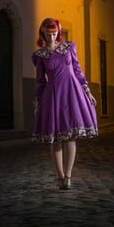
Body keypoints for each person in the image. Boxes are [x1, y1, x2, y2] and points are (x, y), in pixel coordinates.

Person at [32, 17, 98, 190]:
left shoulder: (69, 48)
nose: (52, 36)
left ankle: (68, 176)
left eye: (54, 33)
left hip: (72, 93)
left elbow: (77, 70)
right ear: (43, 33)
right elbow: (40, 82)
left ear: (58, 32)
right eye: (48, 33)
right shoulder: (40, 56)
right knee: (56, 139)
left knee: (70, 136)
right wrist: (38, 102)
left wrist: (88, 91)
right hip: (52, 96)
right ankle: (60, 176)